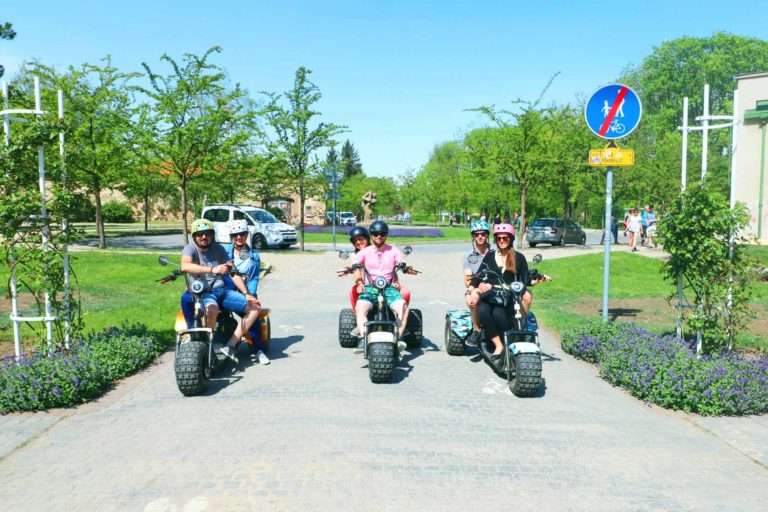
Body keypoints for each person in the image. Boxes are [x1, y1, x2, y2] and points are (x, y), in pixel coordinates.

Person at [180, 219, 259, 363]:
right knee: (212, 308)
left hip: (223, 291)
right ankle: (208, 345)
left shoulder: (219, 249)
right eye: (200, 234)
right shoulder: (190, 248)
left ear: (212, 235)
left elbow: (233, 272)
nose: (204, 237)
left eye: (208, 234)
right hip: (206, 293)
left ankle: (231, 345)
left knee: (255, 308)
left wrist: (246, 293)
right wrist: (212, 269)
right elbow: (185, 266)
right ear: (195, 236)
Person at [471, 223, 550, 360]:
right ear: (495, 240)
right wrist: (473, 287)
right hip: (490, 295)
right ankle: (498, 345)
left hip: (508, 296)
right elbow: (478, 275)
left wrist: (539, 278)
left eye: (505, 238)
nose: (501, 241)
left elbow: (526, 279)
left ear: (511, 239)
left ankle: (511, 339)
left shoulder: (518, 257)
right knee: (482, 310)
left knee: (498, 314)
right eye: (499, 238)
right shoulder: (489, 256)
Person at [351, 220, 415, 354]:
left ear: (386, 235)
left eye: (382, 234)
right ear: (371, 235)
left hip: (389, 288)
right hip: (370, 288)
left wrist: (406, 267)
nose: (379, 236)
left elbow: (401, 261)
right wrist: (355, 273)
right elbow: (356, 262)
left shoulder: (393, 250)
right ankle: (363, 338)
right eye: (375, 234)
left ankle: (398, 338)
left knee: (404, 308)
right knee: (360, 307)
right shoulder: (365, 251)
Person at [224, 219, 269, 365]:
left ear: (246, 235)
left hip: (246, 291)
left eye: (242, 234)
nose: (239, 237)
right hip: (228, 290)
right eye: (236, 234)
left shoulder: (253, 256)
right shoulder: (224, 252)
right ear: (231, 236)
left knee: (253, 315)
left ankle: (258, 350)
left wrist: (251, 292)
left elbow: (254, 276)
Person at [462, 220, 492, 347]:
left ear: (487, 235)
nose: (480, 237)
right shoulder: (468, 256)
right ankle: (476, 330)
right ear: (473, 236)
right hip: (477, 287)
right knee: (473, 297)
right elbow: (468, 280)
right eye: (477, 234)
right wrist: (478, 285)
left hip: (496, 285)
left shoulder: (495, 251)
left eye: (483, 234)